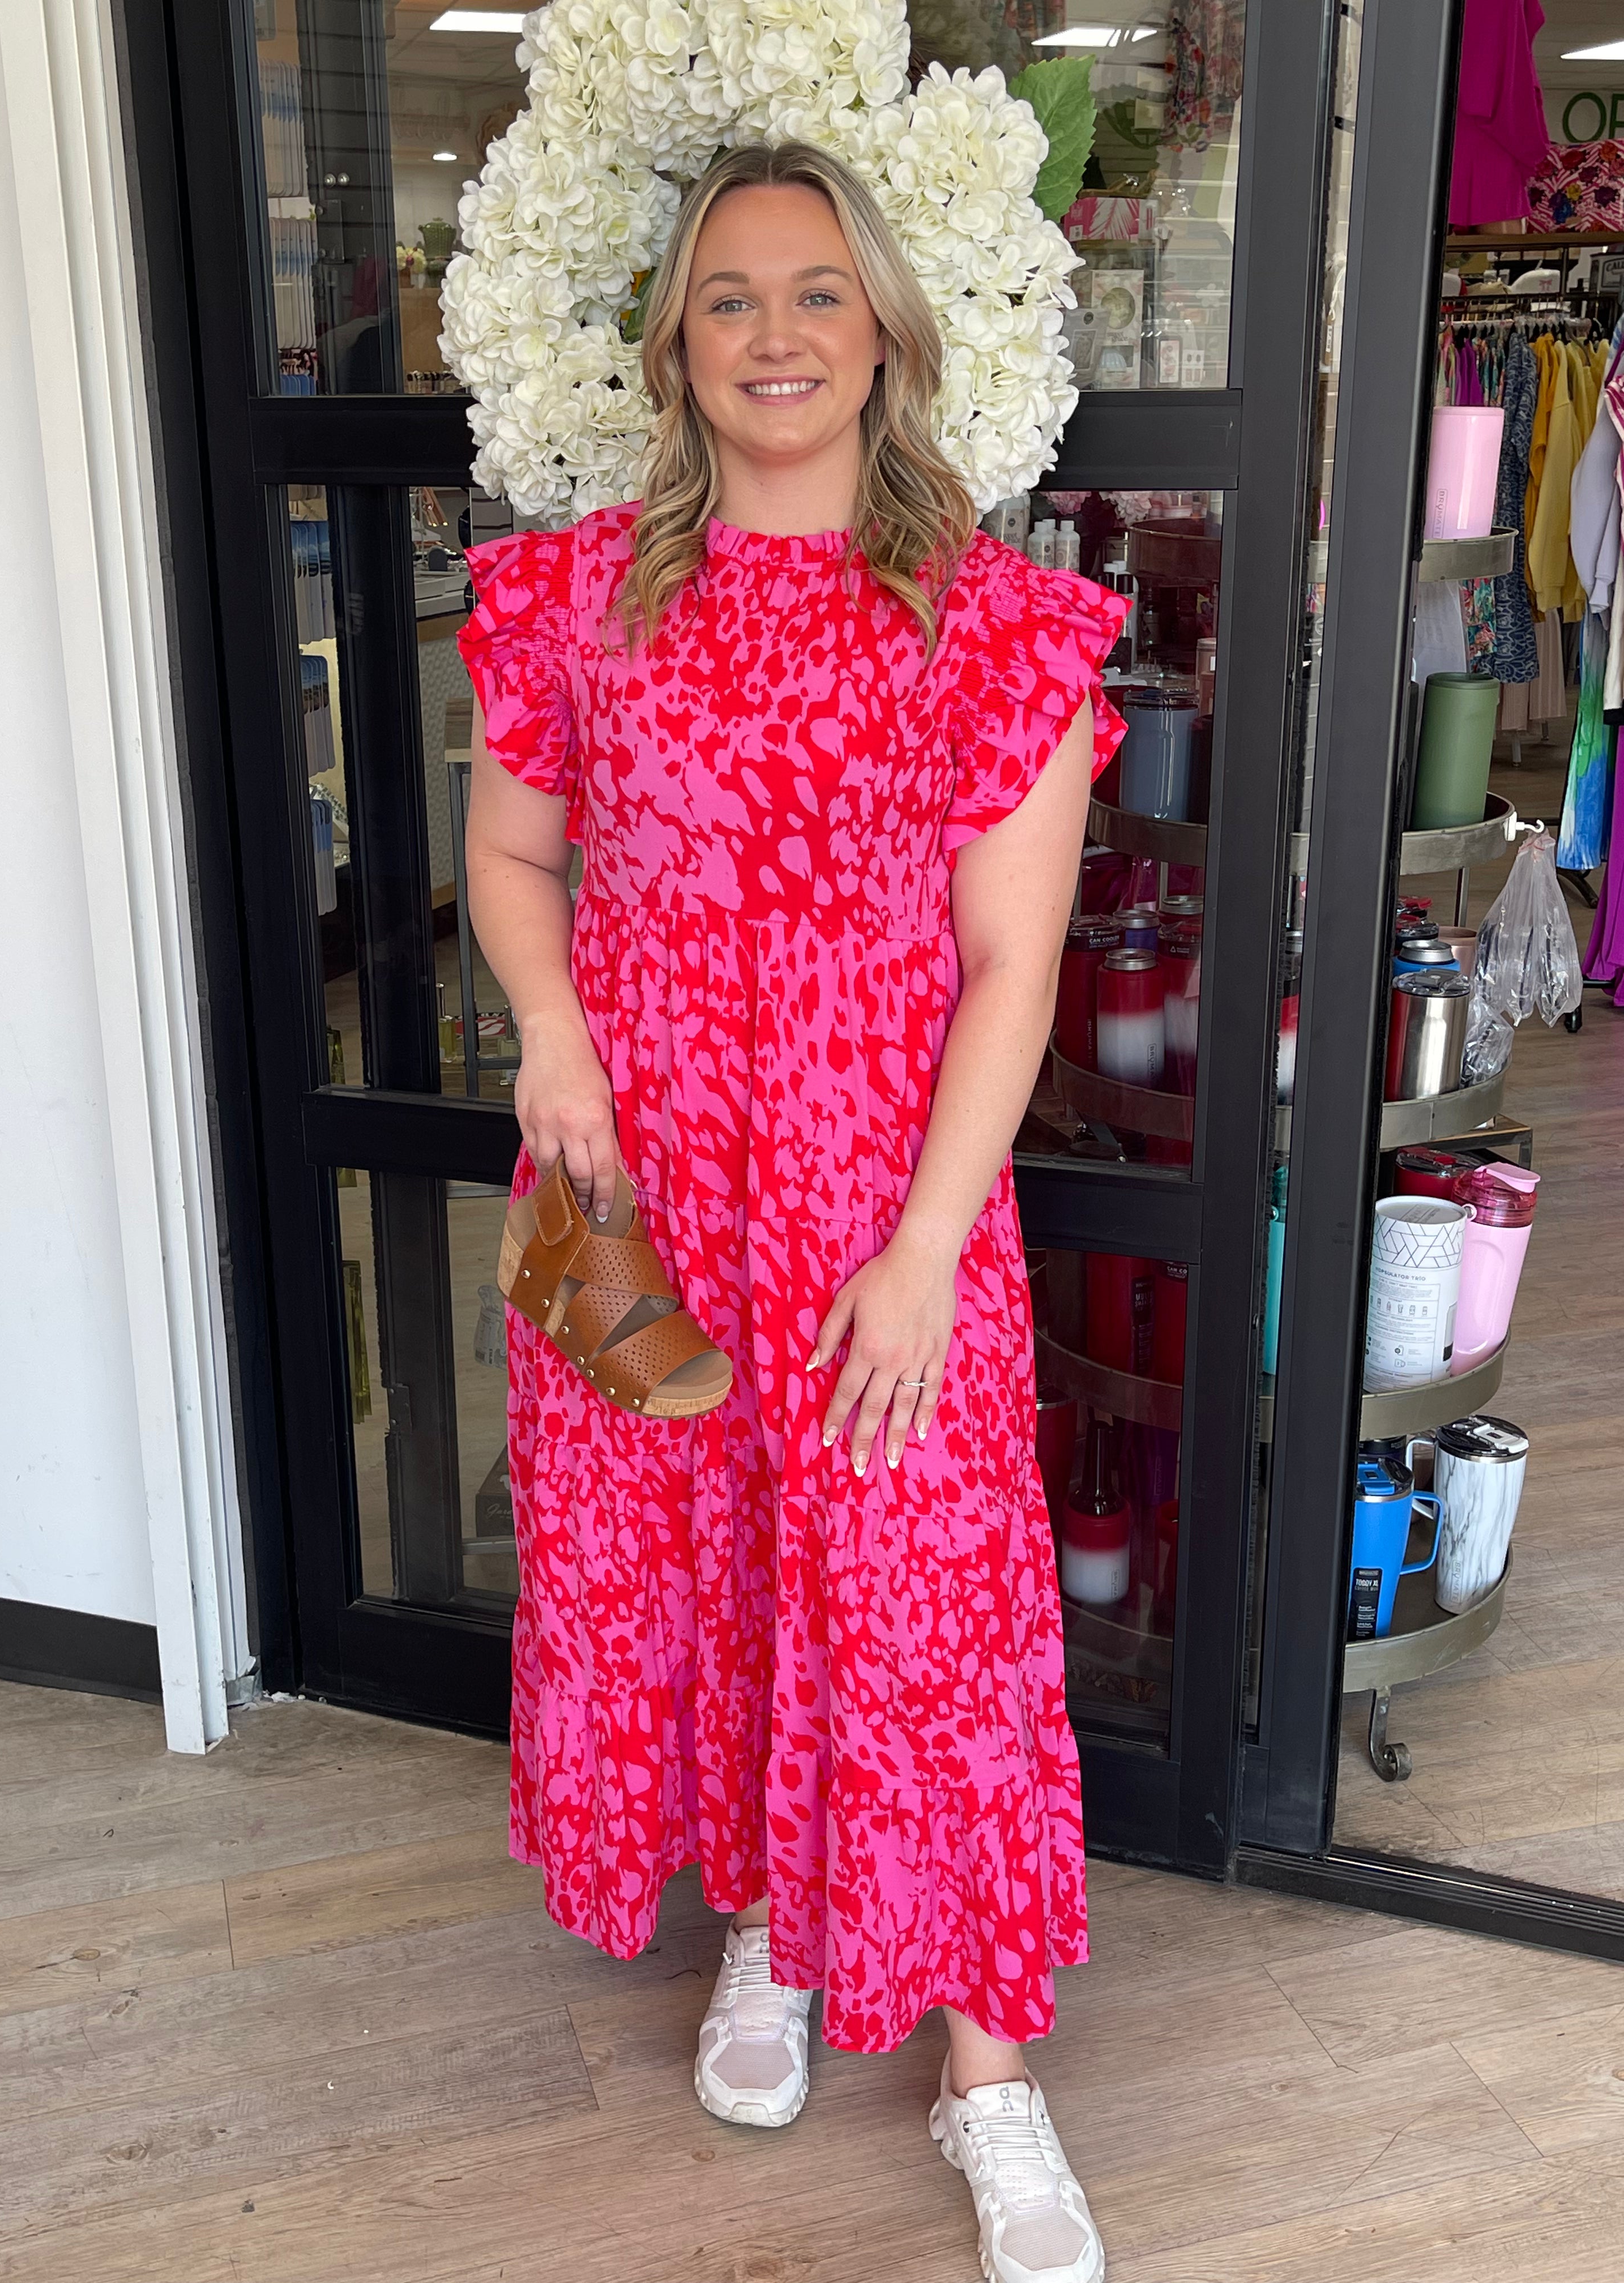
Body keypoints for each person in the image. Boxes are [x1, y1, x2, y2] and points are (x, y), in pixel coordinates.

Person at [460, 138, 1126, 2283]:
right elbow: (513, 859)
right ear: (675, 343)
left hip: (880, 1199)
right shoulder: (582, 597)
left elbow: (1013, 966)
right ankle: (764, 1928)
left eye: (818, 292)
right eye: (731, 297)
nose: (775, 334)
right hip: (643, 1185)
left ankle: (990, 2079)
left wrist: (926, 1249)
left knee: (931, 1605)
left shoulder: (990, 620)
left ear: (885, 331)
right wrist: (553, 1036)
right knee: (715, 1563)